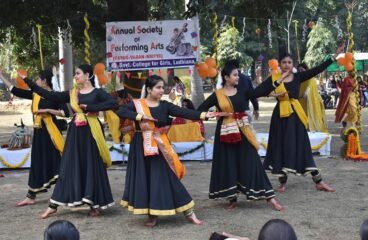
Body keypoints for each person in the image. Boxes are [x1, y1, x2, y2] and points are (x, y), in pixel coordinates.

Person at [116, 75, 215, 227]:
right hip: (140, 147)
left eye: (163, 87)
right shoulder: (137, 105)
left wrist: (203, 115)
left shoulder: (165, 106)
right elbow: (121, 111)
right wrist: (139, 116)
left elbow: (185, 112)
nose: (162, 90)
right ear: (149, 89)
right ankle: (152, 215)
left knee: (168, 178)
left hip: (159, 147)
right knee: (147, 180)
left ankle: (189, 212)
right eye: (158, 87)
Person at [22, 64, 117, 218]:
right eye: (75, 74)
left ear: (87, 75)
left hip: (91, 133)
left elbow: (113, 103)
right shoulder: (73, 93)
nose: (75, 76)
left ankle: (94, 203)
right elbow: (51, 96)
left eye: (78, 73)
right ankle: (53, 206)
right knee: (68, 165)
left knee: (92, 165)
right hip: (75, 134)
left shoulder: (97, 92)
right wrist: (28, 81)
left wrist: (91, 107)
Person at [197, 60, 284, 211]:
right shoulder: (217, 95)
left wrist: (276, 81)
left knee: (253, 162)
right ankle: (232, 198)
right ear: (226, 77)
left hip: (243, 131)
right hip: (225, 134)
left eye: (238, 75)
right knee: (229, 163)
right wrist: (217, 113)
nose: (238, 77)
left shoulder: (243, 91)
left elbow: (259, 91)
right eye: (235, 75)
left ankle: (271, 198)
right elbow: (201, 109)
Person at [262, 46, 344, 193]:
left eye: (289, 62)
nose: (287, 65)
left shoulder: (298, 77)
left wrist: (333, 57)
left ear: (292, 64)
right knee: (281, 147)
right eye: (284, 62)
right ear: (280, 64)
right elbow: (261, 91)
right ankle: (282, 183)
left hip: (296, 116)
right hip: (279, 117)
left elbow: (317, 69)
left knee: (303, 146)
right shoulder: (274, 78)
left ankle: (319, 181)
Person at [0, 58, 68, 207]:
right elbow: (15, 90)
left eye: (38, 79)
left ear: (45, 81)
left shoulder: (56, 96)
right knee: (38, 163)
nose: (36, 81)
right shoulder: (36, 94)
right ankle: (31, 196)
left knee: (57, 162)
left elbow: (65, 113)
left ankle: (67, 191)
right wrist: (0, 75)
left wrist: (48, 110)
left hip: (51, 133)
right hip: (39, 133)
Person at [297, 63, 328, 132]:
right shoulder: (298, 79)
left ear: (306, 69)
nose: (300, 71)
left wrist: (307, 92)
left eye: (302, 69)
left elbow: (311, 88)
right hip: (301, 101)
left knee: (310, 115)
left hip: (311, 100)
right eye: (299, 70)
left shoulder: (311, 78)